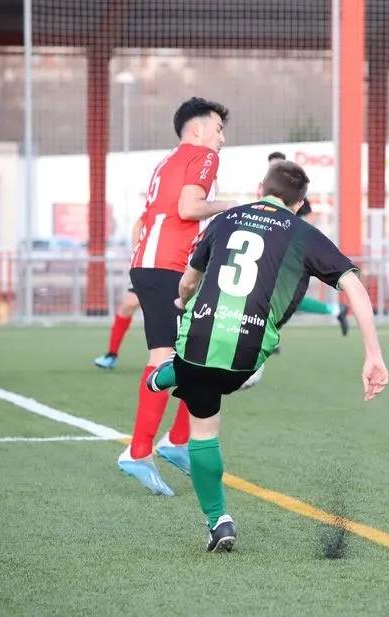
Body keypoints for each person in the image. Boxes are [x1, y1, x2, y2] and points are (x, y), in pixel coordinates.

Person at [145, 160, 389, 552]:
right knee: (224, 374)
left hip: (198, 341)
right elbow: (354, 288)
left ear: (261, 188)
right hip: (248, 356)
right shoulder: (303, 232)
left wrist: (183, 299)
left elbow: (189, 280)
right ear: (299, 204)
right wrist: (373, 355)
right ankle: (176, 373)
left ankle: (218, 521)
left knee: (202, 425)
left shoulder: (225, 219)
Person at [117, 97, 239, 497]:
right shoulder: (204, 156)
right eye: (218, 129)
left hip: (161, 265)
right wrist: (233, 206)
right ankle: (139, 452)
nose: (222, 138)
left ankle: (176, 442)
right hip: (165, 267)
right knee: (166, 356)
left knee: (200, 352)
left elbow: (152, 217)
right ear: (197, 129)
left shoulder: (168, 161)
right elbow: (188, 208)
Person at [260, 151, 350, 341]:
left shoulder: (295, 194)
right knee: (275, 294)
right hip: (269, 249)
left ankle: (264, 334)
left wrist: (295, 237)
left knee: (278, 294)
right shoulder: (265, 192)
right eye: (271, 166)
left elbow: (308, 218)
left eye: (277, 164)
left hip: (285, 252)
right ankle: (335, 310)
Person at [94, 215, 145, 370]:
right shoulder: (154, 206)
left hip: (175, 265)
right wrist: (138, 253)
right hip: (149, 265)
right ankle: (111, 354)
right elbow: (137, 226)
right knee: (128, 305)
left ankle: (179, 358)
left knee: (171, 313)